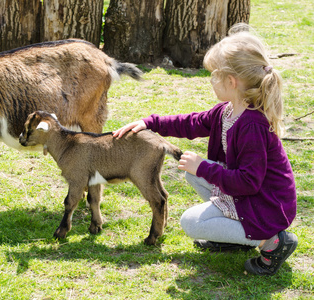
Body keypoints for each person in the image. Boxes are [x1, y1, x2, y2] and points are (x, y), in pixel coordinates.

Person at [113, 25, 297, 276]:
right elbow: (193, 122)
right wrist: (150, 123)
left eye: (213, 75)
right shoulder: (229, 110)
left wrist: (203, 167)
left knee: (191, 222)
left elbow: (249, 182)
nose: (210, 80)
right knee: (193, 173)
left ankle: (272, 242)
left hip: (266, 206)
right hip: (250, 196)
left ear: (231, 81)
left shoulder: (252, 125)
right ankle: (235, 239)